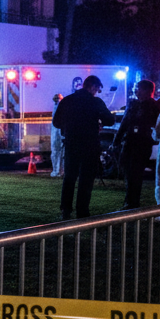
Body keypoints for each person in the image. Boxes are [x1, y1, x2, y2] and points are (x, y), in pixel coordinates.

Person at [52, 74, 116, 220]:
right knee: (86, 179)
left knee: (69, 177)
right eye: (97, 90)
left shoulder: (67, 100)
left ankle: (66, 210)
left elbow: (56, 122)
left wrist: (69, 127)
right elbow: (110, 120)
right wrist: (98, 122)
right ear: (92, 86)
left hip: (71, 143)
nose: (96, 93)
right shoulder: (95, 102)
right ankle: (82, 211)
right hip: (89, 144)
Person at [112, 79, 158, 208]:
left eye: (139, 88)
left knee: (136, 174)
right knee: (128, 172)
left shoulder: (153, 106)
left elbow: (156, 126)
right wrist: (116, 141)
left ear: (147, 91)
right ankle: (128, 200)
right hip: (129, 142)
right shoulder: (133, 104)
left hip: (142, 144)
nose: (136, 90)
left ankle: (133, 202)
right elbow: (125, 123)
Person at [50, 94, 65, 177]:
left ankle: (58, 171)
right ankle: (58, 171)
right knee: (58, 151)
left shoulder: (58, 107)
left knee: (58, 151)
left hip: (58, 132)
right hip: (57, 132)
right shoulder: (58, 107)